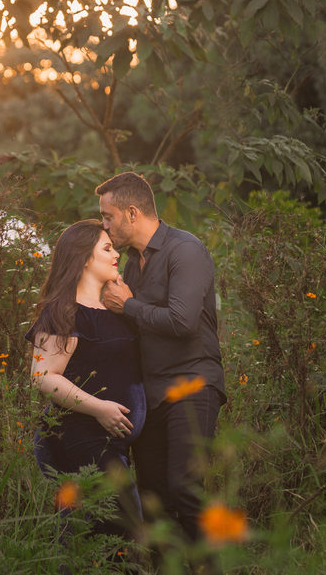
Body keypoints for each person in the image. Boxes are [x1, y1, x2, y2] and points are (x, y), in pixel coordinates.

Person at [96, 171, 226, 546]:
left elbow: (183, 322)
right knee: (153, 499)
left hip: (192, 384)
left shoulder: (185, 250)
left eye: (109, 217)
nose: (105, 226)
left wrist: (129, 305)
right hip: (151, 395)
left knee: (185, 489)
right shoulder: (133, 263)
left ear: (132, 213)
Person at [25, 219, 146, 539]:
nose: (116, 254)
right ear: (83, 258)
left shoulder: (113, 311)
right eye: (106, 248)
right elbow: (42, 377)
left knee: (98, 536)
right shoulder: (62, 310)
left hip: (109, 442)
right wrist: (99, 408)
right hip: (77, 436)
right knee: (121, 532)